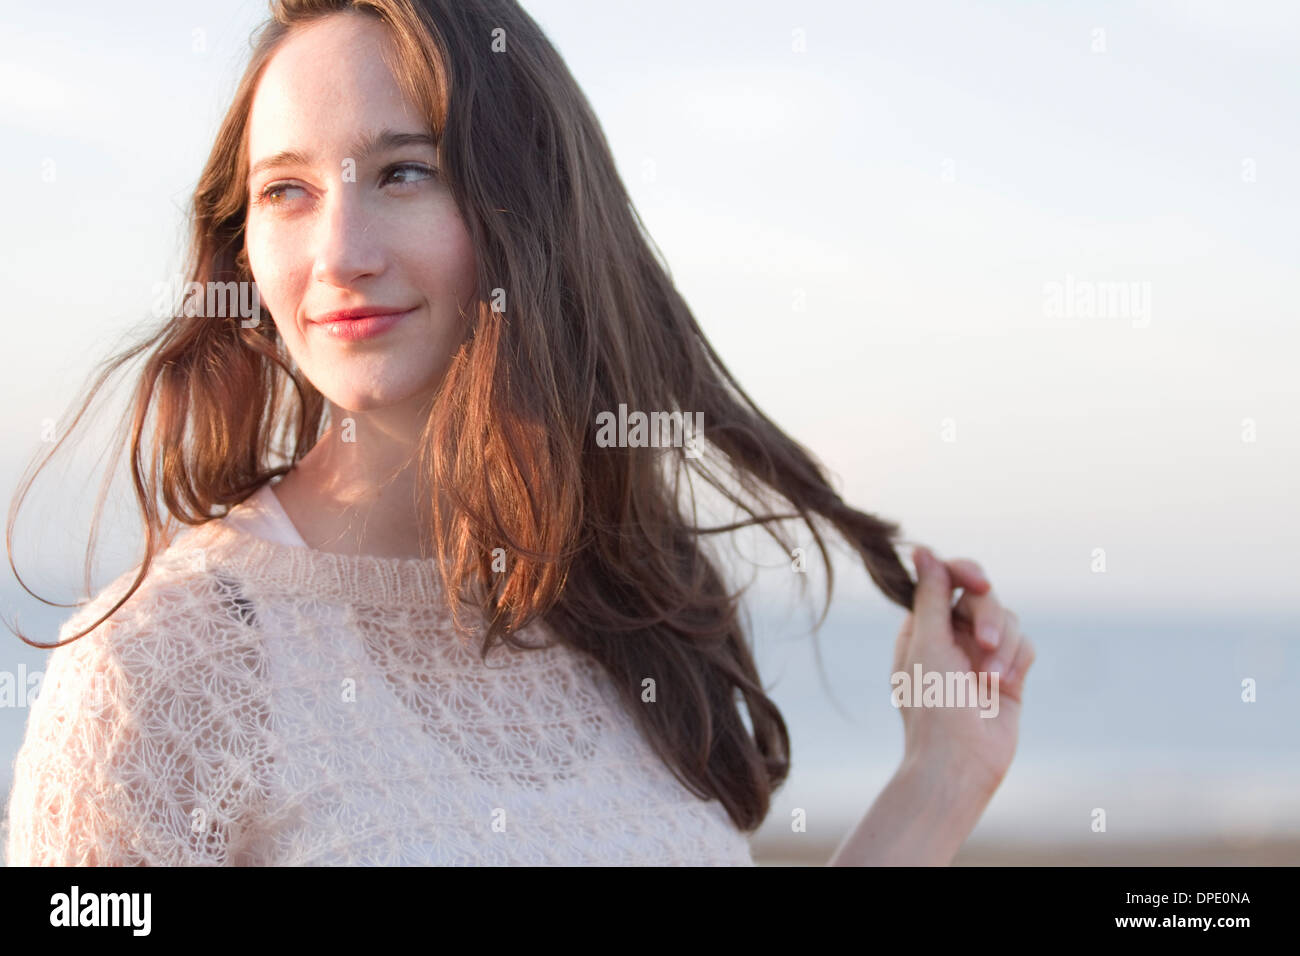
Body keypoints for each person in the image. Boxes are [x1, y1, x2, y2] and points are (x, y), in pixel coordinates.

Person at [3, 0, 1033, 866]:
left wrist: (940, 780)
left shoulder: (619, 614)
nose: (339, 251)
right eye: (286, 191)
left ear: (528, 209)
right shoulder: (161, 671)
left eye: (403, 171)